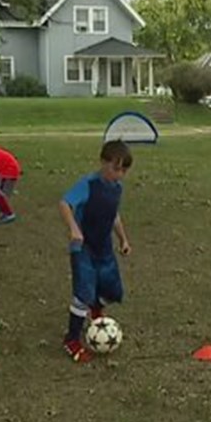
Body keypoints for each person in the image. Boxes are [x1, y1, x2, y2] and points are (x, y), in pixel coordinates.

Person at [59, 140, 134, 363]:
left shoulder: (117, 188)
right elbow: (64, 203)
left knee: (112, 289)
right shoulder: (88, 184)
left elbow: (114, 215)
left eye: (124, 170)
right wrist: (74, 229)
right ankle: (71, 340)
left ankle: (96, 310)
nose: (119, 174)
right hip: (83, 248)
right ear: (103, 162)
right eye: (115, 168)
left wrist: (123, 239)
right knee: (83, 290)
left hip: (104, 247)